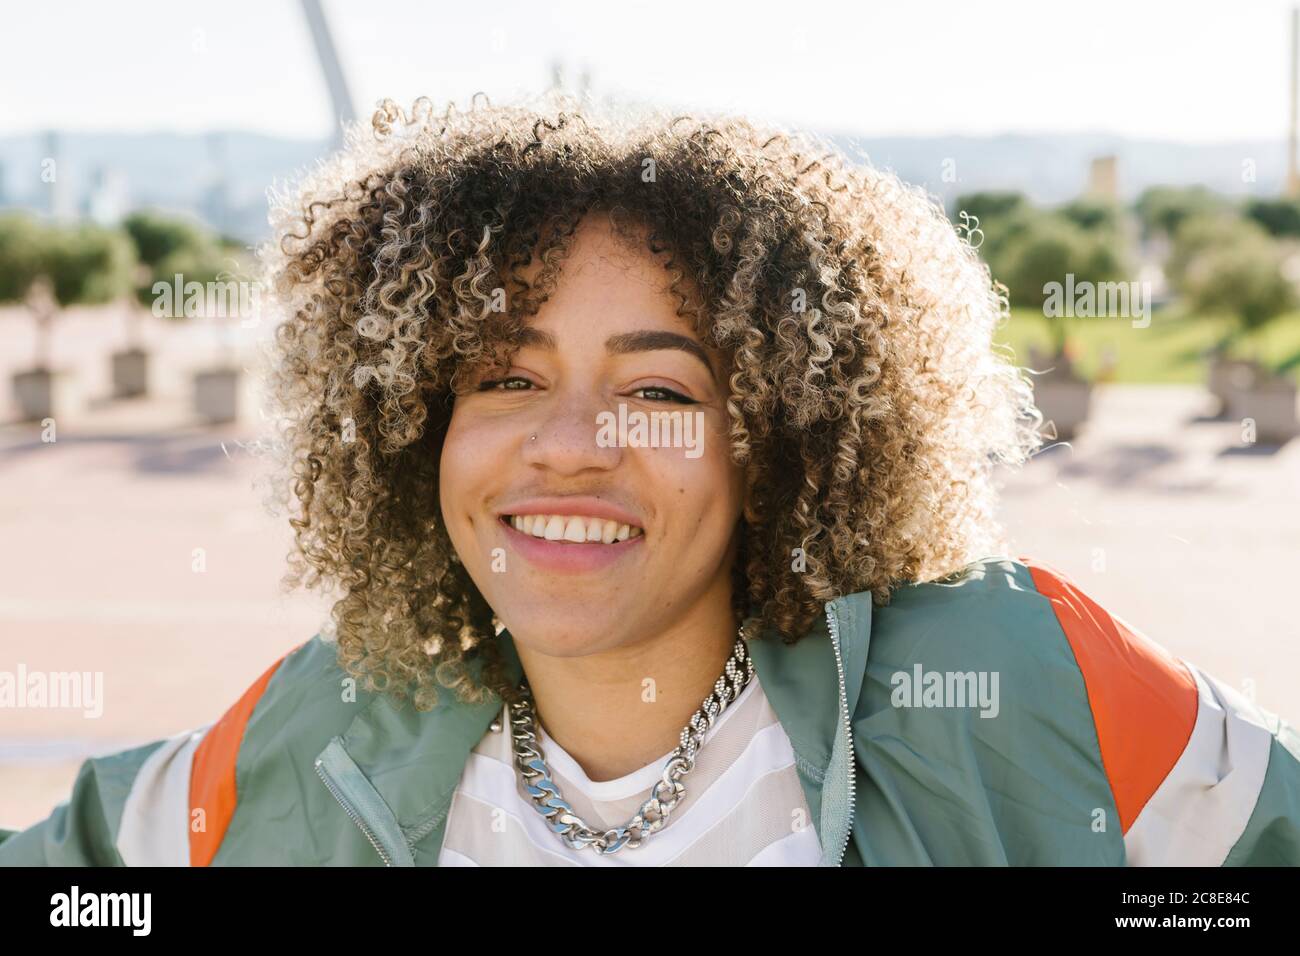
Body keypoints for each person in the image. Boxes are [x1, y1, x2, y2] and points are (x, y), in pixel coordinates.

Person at [2, 95, 1296, 866]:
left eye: (661, 390)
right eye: (503, 379)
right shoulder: (332, 721)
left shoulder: (1021, 678)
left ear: (778, 437)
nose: (567, 442)